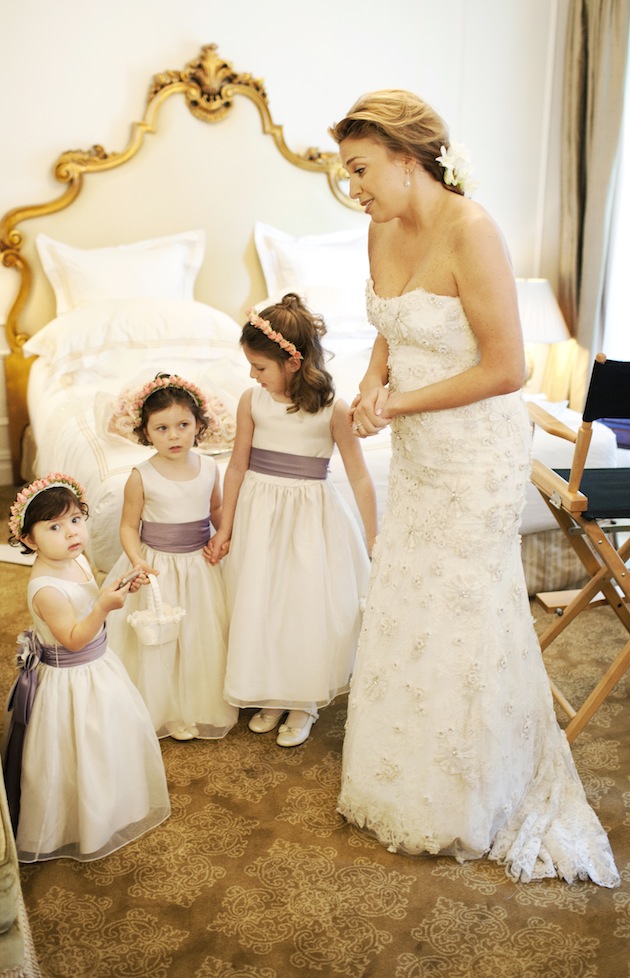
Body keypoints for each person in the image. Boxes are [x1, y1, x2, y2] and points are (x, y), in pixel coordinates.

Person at [328, 90, 620, 886]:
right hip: (420, 448)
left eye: (359, 169)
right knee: (410, 595)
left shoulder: (474, 230)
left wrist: (400, 404)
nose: (351, 186)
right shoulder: (379, 228)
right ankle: (405, 771)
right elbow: (390, 328)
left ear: (406, 156)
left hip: (474, 450)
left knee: (463, 600)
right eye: (345, 171)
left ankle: (473, 788)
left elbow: (506, 369)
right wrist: (369, 387)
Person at [208, 293, 376, 748]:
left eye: (260, 367)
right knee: (261, 603)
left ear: (293, 363)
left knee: (303, 608)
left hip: (308, 521)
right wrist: (225, 528)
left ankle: (303, 701)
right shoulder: (252, 402)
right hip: (259, 519)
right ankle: (272, 692)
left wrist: (373, 538)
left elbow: (360, 477)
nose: (251, 375)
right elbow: (237, 466)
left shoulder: (332, 409)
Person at [2, 473, 170, 862]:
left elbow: (93, 598)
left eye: (76, 520)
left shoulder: (76, 559)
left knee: (109, 739)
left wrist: (121, 589)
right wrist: (103, 607)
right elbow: (75, 637)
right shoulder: (46, 588)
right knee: (78, 748)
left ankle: (116, 805)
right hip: (70, 681)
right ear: (28, 540)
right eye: (55, 527)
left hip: (98, 669)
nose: (71, 533)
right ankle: (87, 824)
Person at [105, 374, 237, 741]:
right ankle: (165, 708)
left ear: (199, 425)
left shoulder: (210, 468)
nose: (174, 435)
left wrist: (226, 536)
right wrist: (137, 560)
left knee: (200, 635)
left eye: (183, 425)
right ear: (146, 433)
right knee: (160, 638)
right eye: (162, 428)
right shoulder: (141, 476)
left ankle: (196, 704)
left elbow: (215, 508)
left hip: (198, 566)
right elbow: (129, 527)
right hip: (157, 567)